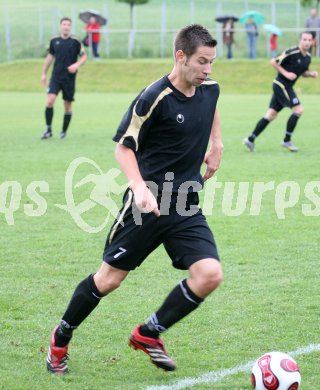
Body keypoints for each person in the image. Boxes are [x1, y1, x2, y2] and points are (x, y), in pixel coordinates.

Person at [46, 24, 223, 374]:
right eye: (201, 62)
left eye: (211, 62)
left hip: (185, 203)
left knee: (209, 275)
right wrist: (139, 187)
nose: (208, 70)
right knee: (108, 281)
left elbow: (212, 104)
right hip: (146, 207)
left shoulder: (209, 87)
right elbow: (124, 147)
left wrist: (217, 143)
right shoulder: (153, 97)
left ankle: (148, 333)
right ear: (180, 56)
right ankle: (60, 337)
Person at [243, 32, 318, 152]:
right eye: (304, 39)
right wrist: (286, 73)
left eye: (309, 40)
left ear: (313, 41)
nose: (307, 42)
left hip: (286, 86)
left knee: (271, 114)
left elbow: (302, 72)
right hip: (281, 84)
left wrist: (310, 74)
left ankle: (250, 139)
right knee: (298, 109)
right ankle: (287, 140)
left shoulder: (308, 57)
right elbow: (273, 61)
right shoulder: (292, 52)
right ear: (300, 40)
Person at [41, 17, 87, 140]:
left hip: (69, 79)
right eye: (64, 24)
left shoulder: (76, 41)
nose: (66, 26)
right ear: (60, 26)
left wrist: (76, 65)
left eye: (68, 24)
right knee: (50, 100)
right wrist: (44, 73)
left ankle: (63, 132)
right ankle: (48, 129)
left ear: (70, 27)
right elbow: (49, 58)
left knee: (67, 105)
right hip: (55, 77)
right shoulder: (54, 40)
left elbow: (83, 57)